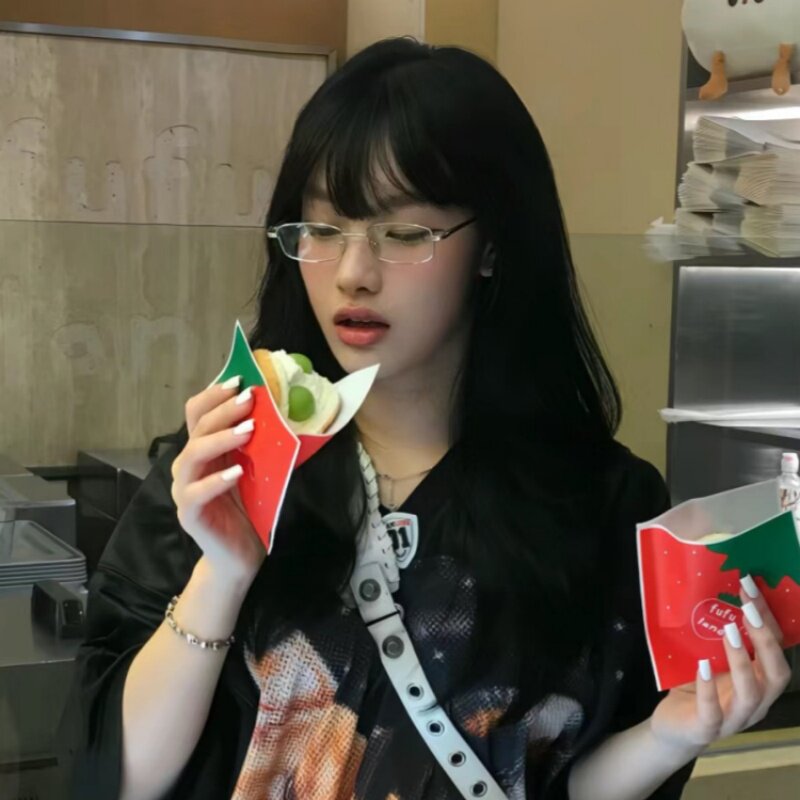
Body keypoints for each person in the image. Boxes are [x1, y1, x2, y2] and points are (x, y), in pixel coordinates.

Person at [70, 37, 791, 800]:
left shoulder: (602, 505)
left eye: (405, 234)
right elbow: (117, 776)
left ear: (492, 246)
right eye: (323, 230)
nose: (353, 273)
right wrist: (221, 574)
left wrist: (668, 737)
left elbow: (546, 782)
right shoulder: (229, 462)